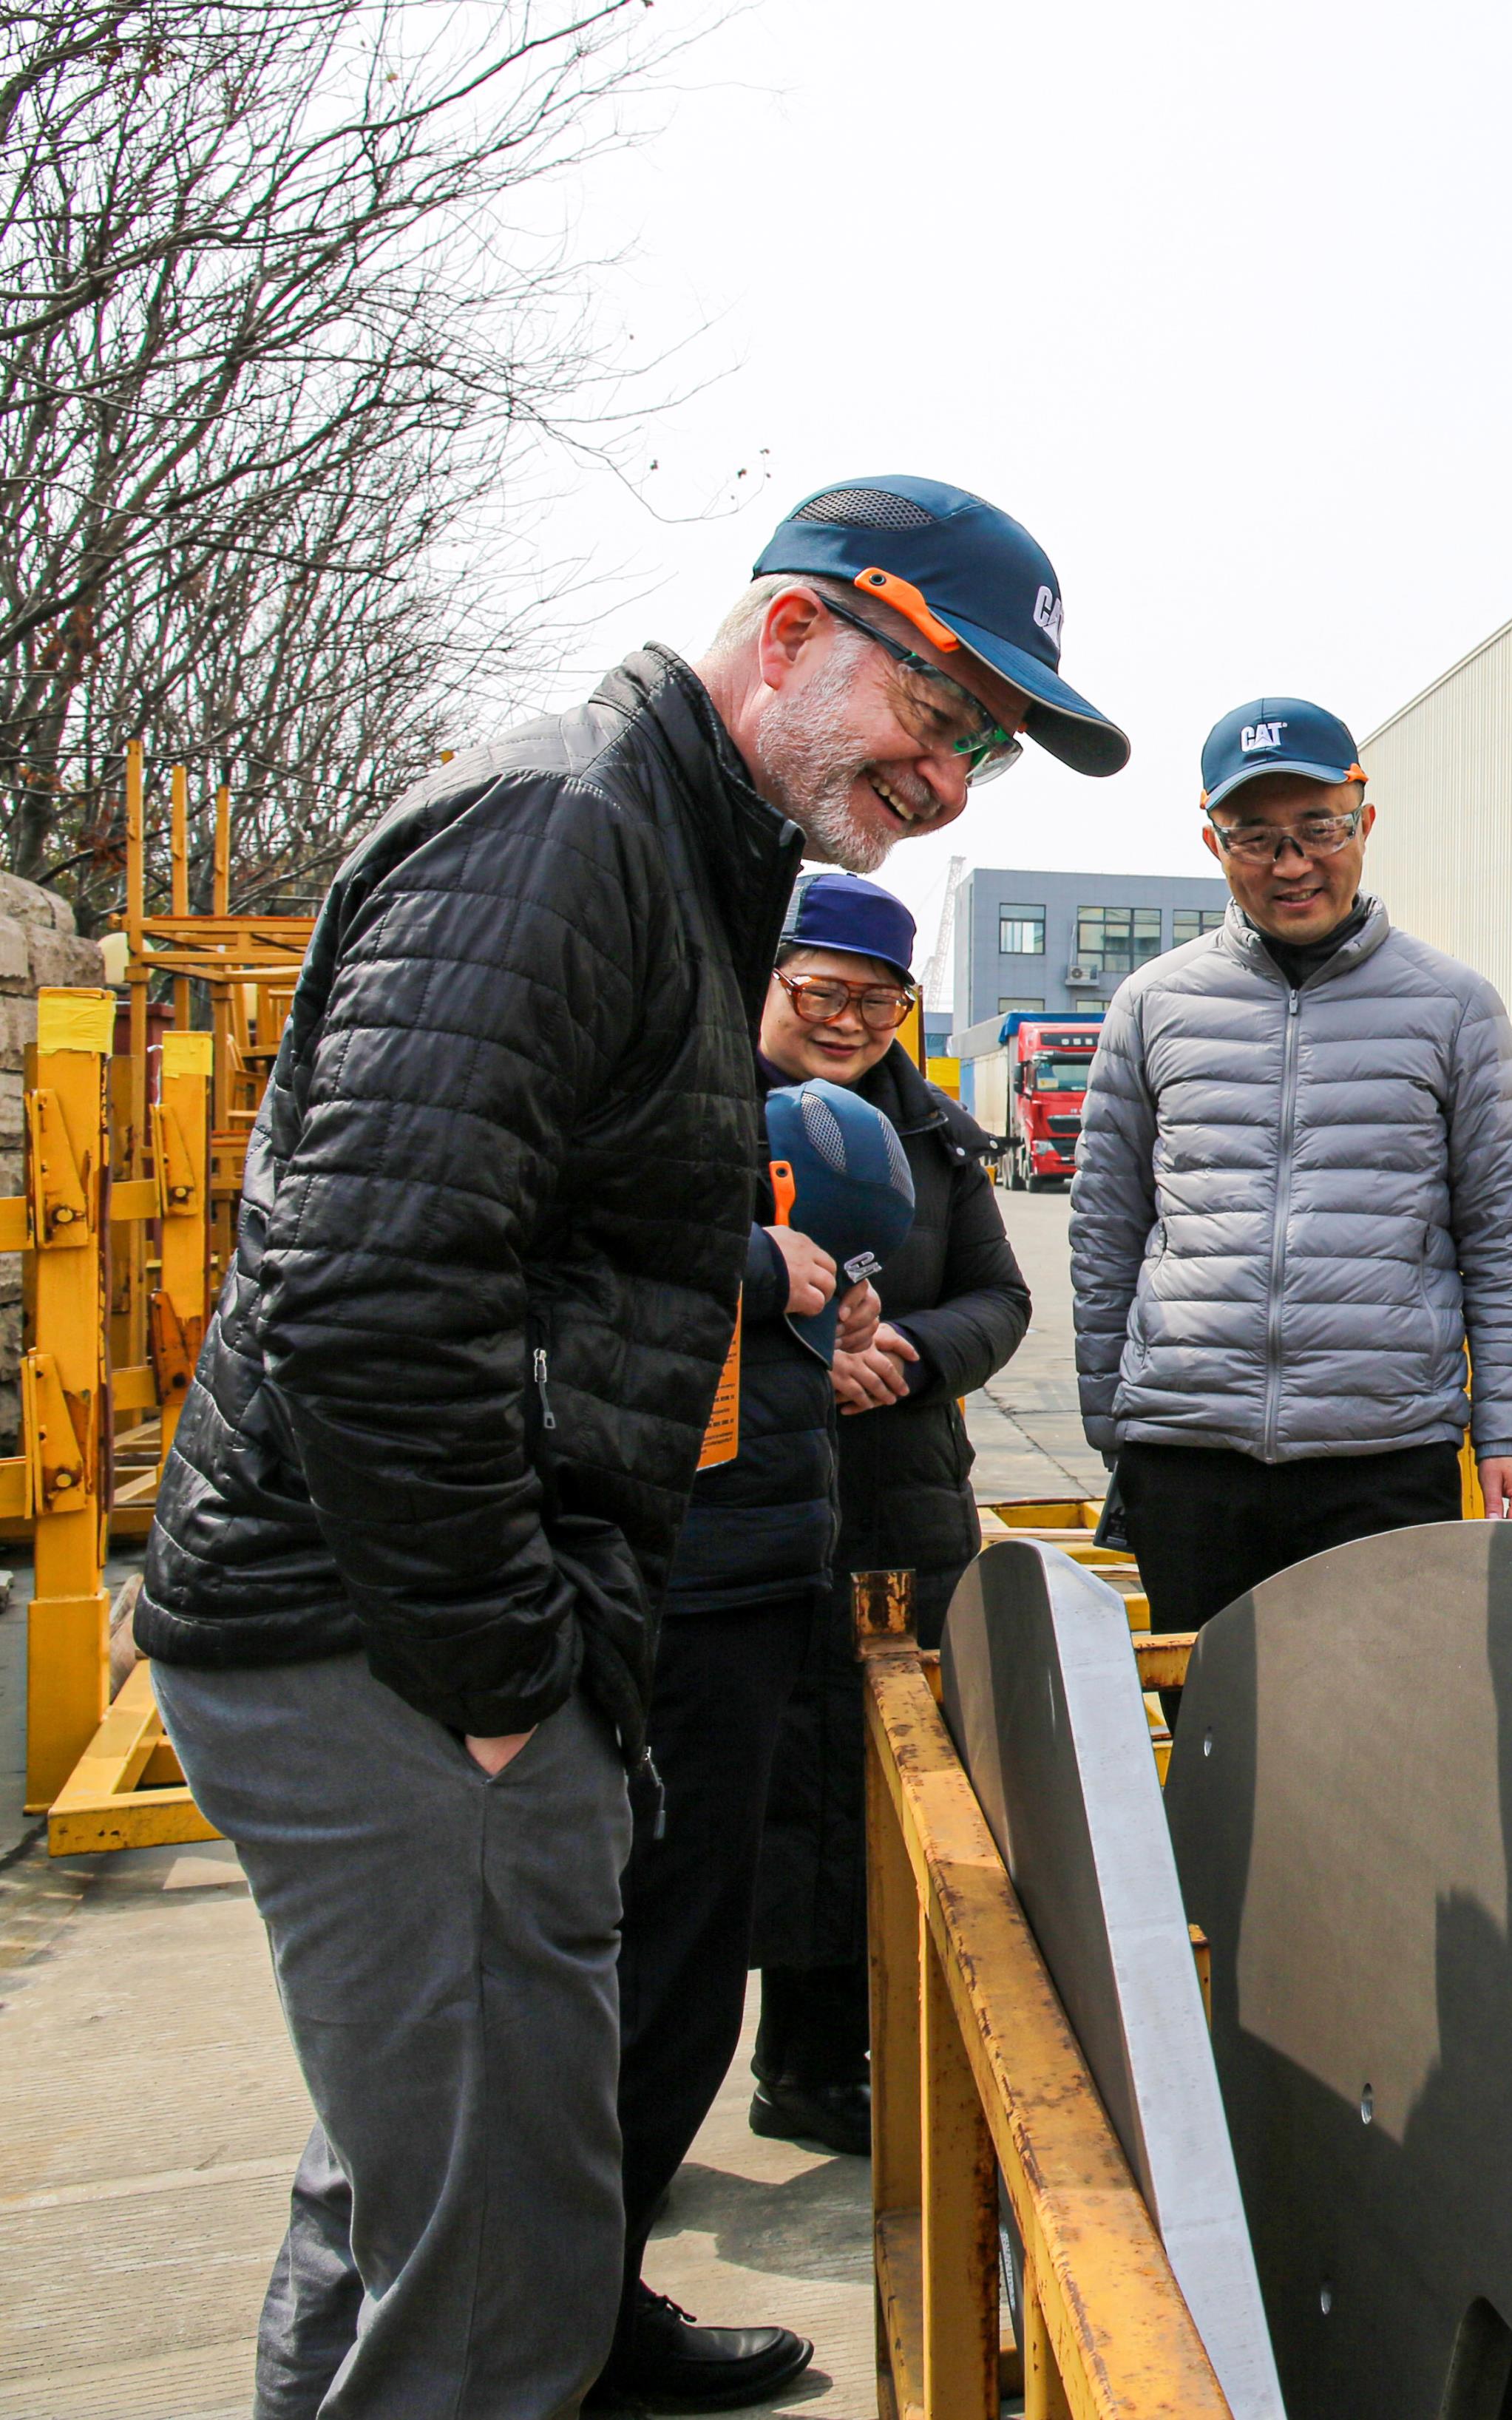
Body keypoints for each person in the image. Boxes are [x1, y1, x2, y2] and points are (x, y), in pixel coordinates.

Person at [133, 472, 1122, 2417]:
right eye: (937, 713)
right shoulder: (565, 837)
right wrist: (507, 1680)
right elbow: (370, 1295)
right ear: (791, 630)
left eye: (985, 751)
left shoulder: (675, 855)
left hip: (417, 1635)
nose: (947, 782)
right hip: (384, 1647)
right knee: (497, 2286)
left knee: (409, 2214)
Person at [1072, 695, 1512, 1633]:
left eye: (1319, 829)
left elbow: (1509, 1240)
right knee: (1209, 1708)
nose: (1292, 864)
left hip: (1383, 1455)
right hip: (1188, 1453)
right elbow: (1105, 1230)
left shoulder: (1452, 1007)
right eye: (1256, 838)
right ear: (1214, 844)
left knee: (1376, 1715)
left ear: (1364, 824)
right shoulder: (1150, 1005)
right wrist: (1114, 1423)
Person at [608, 1037, 909, 2414]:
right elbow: (549, 1236)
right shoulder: (625, 1038)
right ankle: (577, 2310)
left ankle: (590, 2292)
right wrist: (751, 1267)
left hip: (747, 1571)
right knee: (641, 1953)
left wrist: (811, 1323)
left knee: (682, 1953)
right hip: (675, 1577)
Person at [743, 875, 1028, 2160]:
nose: (847, 1020)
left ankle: (817, 2065)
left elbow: (1000, 1299)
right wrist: (803, 1357)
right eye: (821, 990)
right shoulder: (697, 1117)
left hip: (897, 1505)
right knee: (738, 1794)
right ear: (770, 980)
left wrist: (905, 1352)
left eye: (878, 1000)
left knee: (872, 1791)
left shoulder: (936, 1137)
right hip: (741, 1507)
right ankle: (649, 2081)